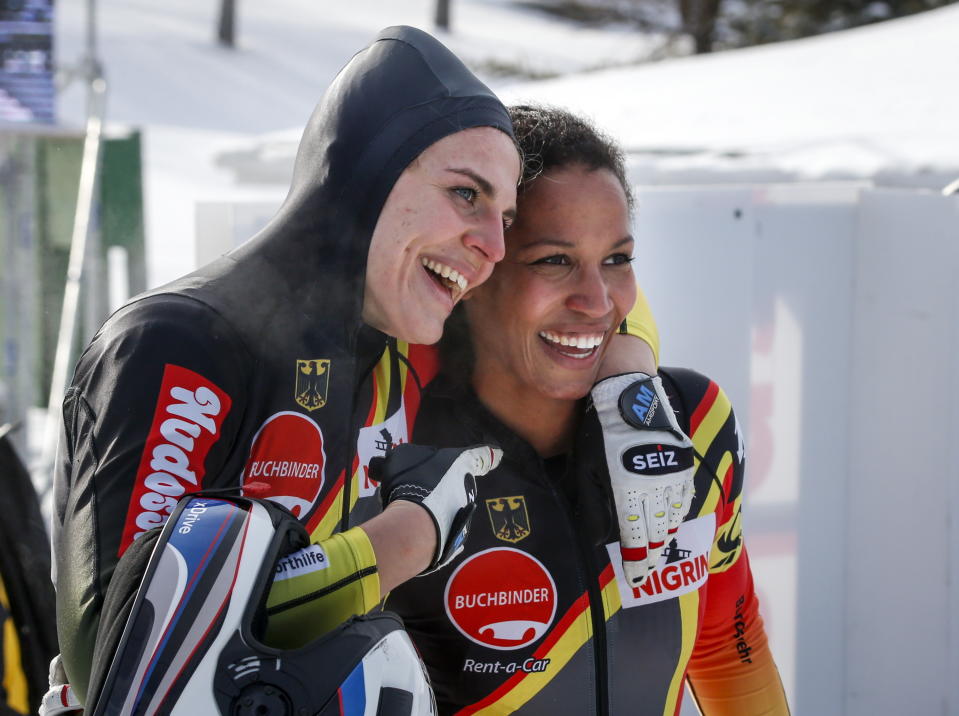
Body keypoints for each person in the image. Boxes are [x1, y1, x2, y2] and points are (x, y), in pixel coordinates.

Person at [49, 28, 671, 712]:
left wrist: (629, 382)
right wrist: (407, 537)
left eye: (504, 216)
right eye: (466, 195)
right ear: (365, 175)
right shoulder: (178, 342)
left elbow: (589, 307)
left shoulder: (394, 342)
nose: (492, 245)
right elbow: (125, 663)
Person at [385, 105, 790, 715]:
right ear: (473, 269)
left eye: (617, 259)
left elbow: (725, 645)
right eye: (553, 260)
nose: (597, 301)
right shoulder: (391, 447)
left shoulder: (693, 421)